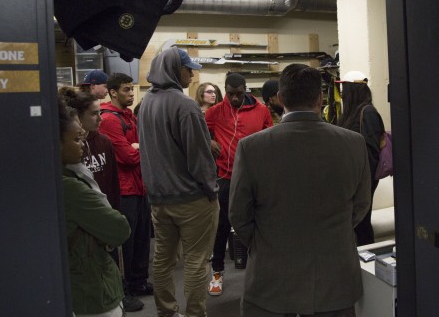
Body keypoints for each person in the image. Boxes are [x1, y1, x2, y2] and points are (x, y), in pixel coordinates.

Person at [229, 63, 371, 316]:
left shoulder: (252, 147)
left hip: (271, 279)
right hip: (333, 278)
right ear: (320, 98)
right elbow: (360, 205)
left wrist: (265, 243)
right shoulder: (353, 143)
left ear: (280, 98)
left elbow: (239, 214)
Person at [138, 47, 219, 317]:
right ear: (176, 69)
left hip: (159, 200)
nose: (192, 73)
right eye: (188, 68)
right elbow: (199, 157)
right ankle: (196, 313)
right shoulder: (186, 106)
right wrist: (211, 188)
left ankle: (167, 312)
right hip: (191, 199)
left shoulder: (146, 102)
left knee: (163, 259)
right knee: (197, 261)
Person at [59, 97, 131, 317]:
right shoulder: (70, 187)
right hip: (91, 288)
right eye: (76, 139)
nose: (82, 144)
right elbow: (119, 229)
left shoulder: (75, 173)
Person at [205, 73, 273, 296]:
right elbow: (199, 132)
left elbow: (270, 137)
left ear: (246, 90)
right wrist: (210, 140)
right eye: (230, 93)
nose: (234, 98)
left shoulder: (261, 110)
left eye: (238, 94)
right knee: (222, 225)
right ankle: (217, 272)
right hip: (225, 176)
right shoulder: (216, 111)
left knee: (259, 224)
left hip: (255, 176)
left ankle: (262, 271)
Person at [99, 73, 153, 301]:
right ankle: (125, 290)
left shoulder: (130, 117)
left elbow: (143, 148)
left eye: (132, 90)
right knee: (127, 243)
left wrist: (138, 146)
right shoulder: (110, 120)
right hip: (125, 190)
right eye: (125, 90)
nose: (131, 94)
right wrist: (140, 147)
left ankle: (138, 282)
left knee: (142, 238)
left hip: (140, 187)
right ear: (113, 92)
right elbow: (128, 156)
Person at [335, 70, 386, 246]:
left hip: (362, 180)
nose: (342, 95)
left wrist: (361, 182)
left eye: (344, 90)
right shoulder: (349, 114)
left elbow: (371, 153)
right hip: (350, 179)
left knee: (362, 224)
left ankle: (367, 260)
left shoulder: (368, 112)